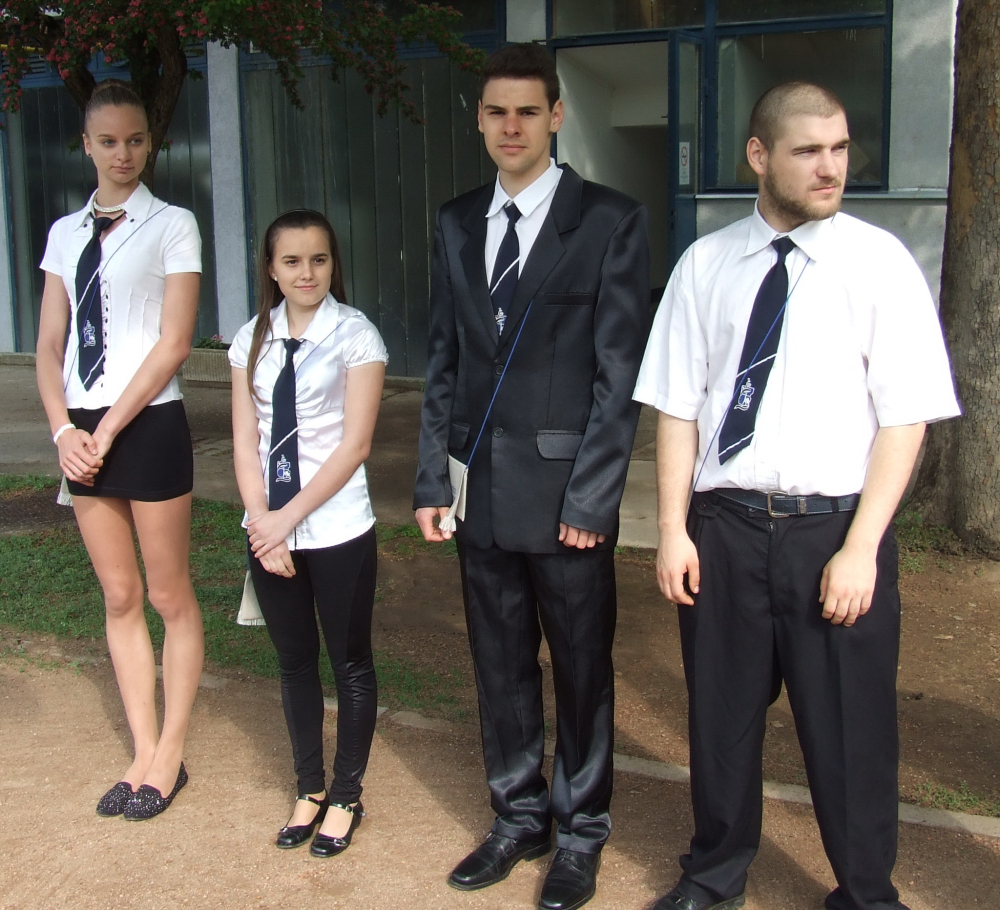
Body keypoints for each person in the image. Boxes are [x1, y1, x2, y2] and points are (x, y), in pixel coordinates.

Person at [634, 82, 961, 910]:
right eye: (808, 150)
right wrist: (672, 530)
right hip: (725, 531)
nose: (831, 167)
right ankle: (714, 875)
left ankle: (865, 892)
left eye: (840, 148)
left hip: (834, 535)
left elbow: (906, 418)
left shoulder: (879, 263)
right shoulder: (705, 265)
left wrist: (862, 549)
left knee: (851, 731)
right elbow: (678, 406)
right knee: (721, 722)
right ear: (759, 155)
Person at [413, 43, 649, 910]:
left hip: (565, 502)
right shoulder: (454, 221)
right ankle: (518, 817)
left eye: (526, 111)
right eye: (495, 112)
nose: (510, 126)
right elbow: (443, 359)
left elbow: (618, 376)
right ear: (479, 121)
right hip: (479, 493)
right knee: (499, 661)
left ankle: (581, 832)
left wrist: (593, 497)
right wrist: (433, 480)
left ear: (555, 116)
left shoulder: (610, 220)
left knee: (582, 669)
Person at [35, 80, 204, 820]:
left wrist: (105, 431)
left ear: (149, 142)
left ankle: (171, 753)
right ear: (86, 145)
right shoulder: (64, 233)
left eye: (135, 140)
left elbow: (175, 342)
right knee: (120, 596)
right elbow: (48, 346)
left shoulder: (173, 224)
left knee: (168, 595)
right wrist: (64, 432)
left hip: (148, 423)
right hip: (80, 431)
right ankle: (140, 751)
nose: (123, 154)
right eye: (108, 141)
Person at [229, 209, 387, 857]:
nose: (306, 273)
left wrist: (286, 520)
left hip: (338, 527)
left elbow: (356, 445)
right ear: (271, 268)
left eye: (318, 260)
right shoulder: (251, 339)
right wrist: (262, 524)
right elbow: (245, 438)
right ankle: (309, 789)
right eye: (291, 261)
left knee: (349, 663)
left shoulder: (357, 335)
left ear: (332, 264)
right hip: (268, 530)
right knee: (295, 663)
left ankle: (346, 796)